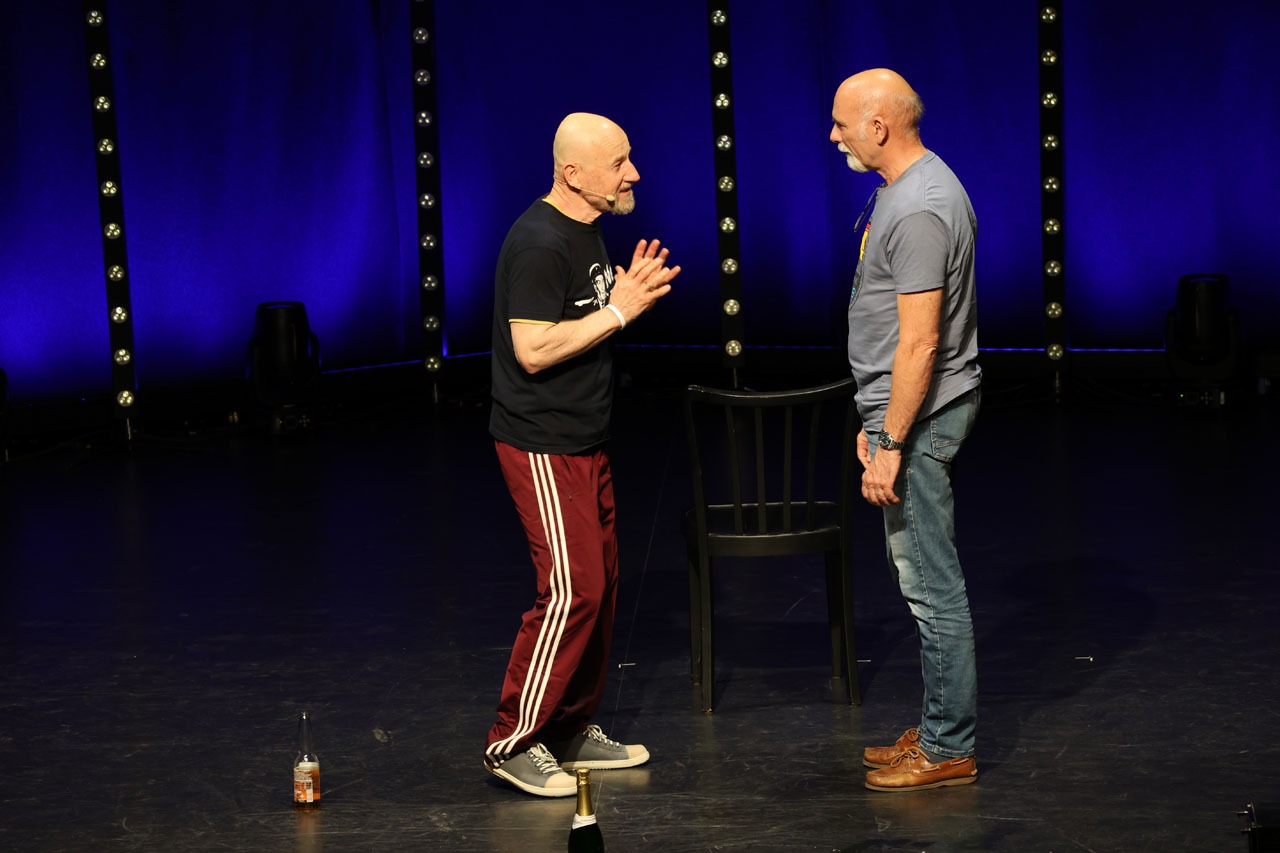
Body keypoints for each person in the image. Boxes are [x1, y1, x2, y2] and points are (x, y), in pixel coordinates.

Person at [483, 112, 681, 797]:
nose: (633, 174)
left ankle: (567, 727)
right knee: (571, 590)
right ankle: (513, 741)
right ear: (572, 173)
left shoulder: (586, 228)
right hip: (541, 440)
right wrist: (618, 311)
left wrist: (619, 301)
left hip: (584, 437)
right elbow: (533, 351)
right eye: (618, 163)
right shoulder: (538, 241)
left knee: (601, 585)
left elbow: (580, 321)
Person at [829, 69, 982, 792]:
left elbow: (920, 343)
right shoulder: (904, 189)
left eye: (842, 123)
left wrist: (890, 440)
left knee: (929, 582)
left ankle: (949, 745)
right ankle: (938, 725)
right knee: (917, 572)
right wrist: (875, 417)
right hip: (900, 412)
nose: (834, 136)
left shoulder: (920, 206)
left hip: (918, 419)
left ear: (879, 126)